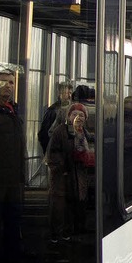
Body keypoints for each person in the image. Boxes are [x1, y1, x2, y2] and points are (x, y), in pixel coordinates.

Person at [47, 103, 95, 242]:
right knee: (59, 205)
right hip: (63, 174)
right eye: (74, 114)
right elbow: (53, 153)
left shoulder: (83, 132)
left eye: (81, 115)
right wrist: (64, 166)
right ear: (68, 116)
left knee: (73, 203)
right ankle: (56, 234)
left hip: (77, 173)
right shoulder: (60, 131)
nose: (78, 117)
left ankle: (69, 231)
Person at [0, 68, 25, 263]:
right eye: (4, 82)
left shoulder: (12, 110)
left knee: (13, 218)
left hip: (13, 178)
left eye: (11, 82)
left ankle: (13, 256)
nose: (8, 86)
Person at [38, 81, 73, 154]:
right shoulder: (53, 110)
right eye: (67, 93)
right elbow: (44, 133)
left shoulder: (72, 109)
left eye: (70, 93)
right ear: (60, 94)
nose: (69, 96)